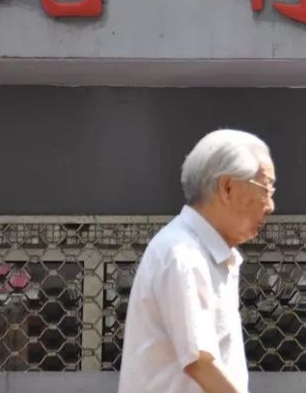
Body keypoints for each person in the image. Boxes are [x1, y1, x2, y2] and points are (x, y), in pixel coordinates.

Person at [118, 129, 276, 393]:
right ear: (227, 188)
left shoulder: (207, 254)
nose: (270, 205)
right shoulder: (183, 254)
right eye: (266, 188)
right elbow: (200, 362)